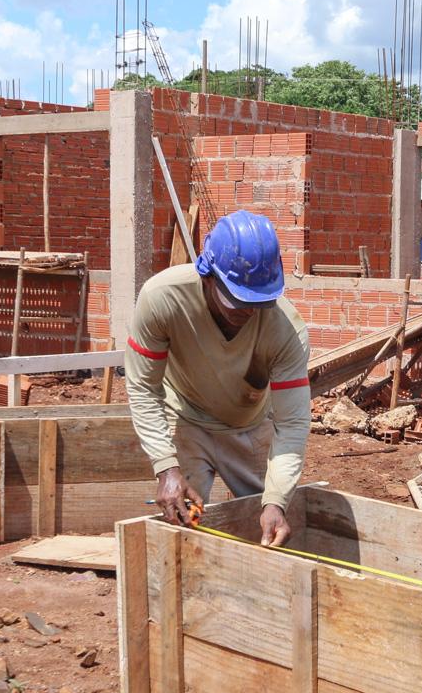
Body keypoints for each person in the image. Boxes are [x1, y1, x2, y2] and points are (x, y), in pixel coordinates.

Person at [125, 210, 311, 547]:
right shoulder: (163, 299)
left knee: (269, 532)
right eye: (237, 299)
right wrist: (166, 467)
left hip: (251, 427)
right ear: (207, 276)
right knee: (180, 529)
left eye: (258, 302)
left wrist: (275, 501)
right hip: (185, 418)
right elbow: (143, 386)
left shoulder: (286, 331)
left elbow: (293, 424)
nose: (248, 311)